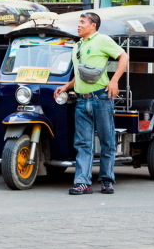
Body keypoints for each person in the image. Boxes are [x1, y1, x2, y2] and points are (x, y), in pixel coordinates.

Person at [53, 12, 129, 195]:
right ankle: (82, 183)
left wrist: (114, 81)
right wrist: (66, 86)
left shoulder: (102, 40)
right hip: (81, 100)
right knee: (83, 144)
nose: (78, 25)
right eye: (79, 22)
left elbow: (123, 56)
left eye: (82, 22)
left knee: (107, 141)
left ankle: (106, 181)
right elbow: (81, 73)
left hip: (101, 98)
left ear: (93, 25)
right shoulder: (77, 45)